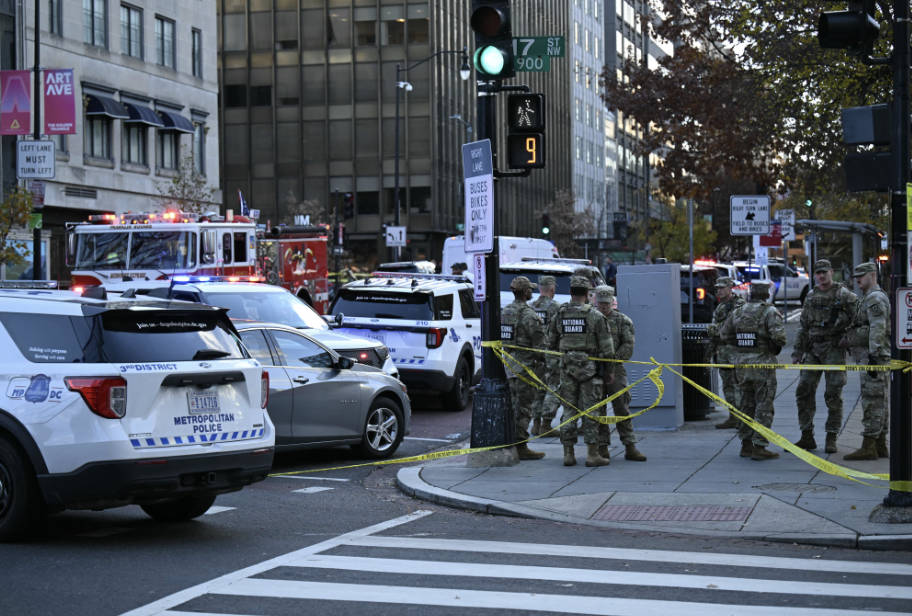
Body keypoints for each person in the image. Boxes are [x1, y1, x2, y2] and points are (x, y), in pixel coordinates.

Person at [545, 276, 615, 467]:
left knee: (569, 410)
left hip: (567, 369)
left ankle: (568, 454)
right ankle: (592, 454)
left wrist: (555, 367)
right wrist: (609, 371)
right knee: (591, 411)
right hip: (590, 370)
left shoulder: (559, 315)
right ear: (587, 293)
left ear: (570, 292)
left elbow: (550, 344)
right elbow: (607, 349)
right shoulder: (595, 316)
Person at [791, 259, 857, 453]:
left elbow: (860, 317)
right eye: (818, 273)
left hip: (833, 349)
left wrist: (849, 336)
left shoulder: (843, 294)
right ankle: (806, 436)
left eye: (824, 272)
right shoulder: (811, 296)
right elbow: (803, 325)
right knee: (804, 390)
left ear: (831, 272)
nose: (821, 276)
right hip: (813, 349)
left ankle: (831, 437)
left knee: (833, 394)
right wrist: (798, 351)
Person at [720, 280, 787, 461]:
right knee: (764, 405)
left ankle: (746, 445)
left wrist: (742, 347)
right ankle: (759, 446)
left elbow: (724, 334)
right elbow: (780, 337)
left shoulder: (738, 311)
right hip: (763, 365)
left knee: (746, 405)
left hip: (742, 366)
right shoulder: (769, 311)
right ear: (766, 294)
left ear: (750, 294)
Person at [843, 262, 891, 461]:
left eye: (861, 276)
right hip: (871, 358)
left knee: (873, 402)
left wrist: (873, 355)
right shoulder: (868, 297)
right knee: (878, 400)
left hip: (874, 359)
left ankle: (869, 446)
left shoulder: (874, 298)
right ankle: (879, 444)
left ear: (873, 275)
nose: (858, 280)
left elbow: (878, 327)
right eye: (856, 277)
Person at [594, 285, 646, 461]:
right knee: (598, 410)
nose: (603, 305)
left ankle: (630, 446)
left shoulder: (623, 320)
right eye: (600, 302)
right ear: (595, 301)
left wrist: (612, 360)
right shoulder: (590, 319)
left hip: (616, 369)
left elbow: (628, 345)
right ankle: (602, 447)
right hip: (593, 370)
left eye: (606, 302)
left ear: (612, 301)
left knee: (622, 408)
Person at [501, 276, 547, 460]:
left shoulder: (506, 311)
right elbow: (540, 347)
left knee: (513, 406)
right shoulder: (529, 315)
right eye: (530, 289)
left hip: (509, 365)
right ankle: (521, 446)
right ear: (525, 292)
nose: (532, 292)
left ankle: (511, 442)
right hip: (526, 369)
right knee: (524, 408)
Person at [707, 277, 747, 429]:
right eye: (717, 288)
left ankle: (743, 418)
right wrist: (709, 353)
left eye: (722, 287)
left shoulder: (739, 305)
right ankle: (733, 417)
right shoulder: (720, 307)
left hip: (735, 352)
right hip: (723, 352)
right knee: (728, 386)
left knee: (739, 386)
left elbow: (732, 327)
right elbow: (715, 334)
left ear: (731, 287)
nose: (719, 290)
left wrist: (714, 330)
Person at [529, 275, 562, 437]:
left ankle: (535, 424)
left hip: (534, 354)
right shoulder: (556, 307)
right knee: (553, 389)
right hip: (551, 354)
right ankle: (546, 425)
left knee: (538, 389)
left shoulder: (530, 307)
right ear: (552, 289)